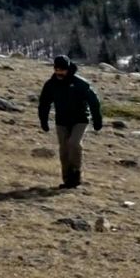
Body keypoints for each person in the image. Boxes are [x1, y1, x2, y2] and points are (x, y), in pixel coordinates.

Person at [38, 55, 102, 189]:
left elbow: (93, 102)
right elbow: (44, 103)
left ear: (68, 69)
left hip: (80, 119)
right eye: (57, 69)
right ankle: (67, 180)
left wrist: (97, 120)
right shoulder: (51, 85)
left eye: (62, 70)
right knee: (64, 150)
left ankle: (75, 174)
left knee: (74, 143)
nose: (59, 72)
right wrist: (43, 120)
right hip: (62, 121)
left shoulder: (80, 84)